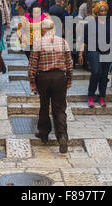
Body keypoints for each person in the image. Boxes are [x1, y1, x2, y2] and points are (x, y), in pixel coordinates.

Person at [28, 18, 73, 153]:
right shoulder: (63, 42)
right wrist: (69, 79)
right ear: (53, 29)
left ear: (43, 29)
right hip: (60, 77)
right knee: (59, 107)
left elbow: (32, 64)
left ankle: (44, 133)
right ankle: (62, 136)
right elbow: (69, 63)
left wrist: (32, 82)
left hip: (44, 77)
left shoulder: (38, 43)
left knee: (44, 105)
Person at [79, 1, 112, 108]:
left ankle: (102, 97)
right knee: (96, 72)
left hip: (107, 51)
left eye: (106, 11)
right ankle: (91, 95)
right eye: (102, 11)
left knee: (104, 75)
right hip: (93, 50)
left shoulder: (111, 23)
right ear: (97, 12)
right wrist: (80, 53)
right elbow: (84, 41)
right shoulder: (90, 24)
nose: (104, 13)